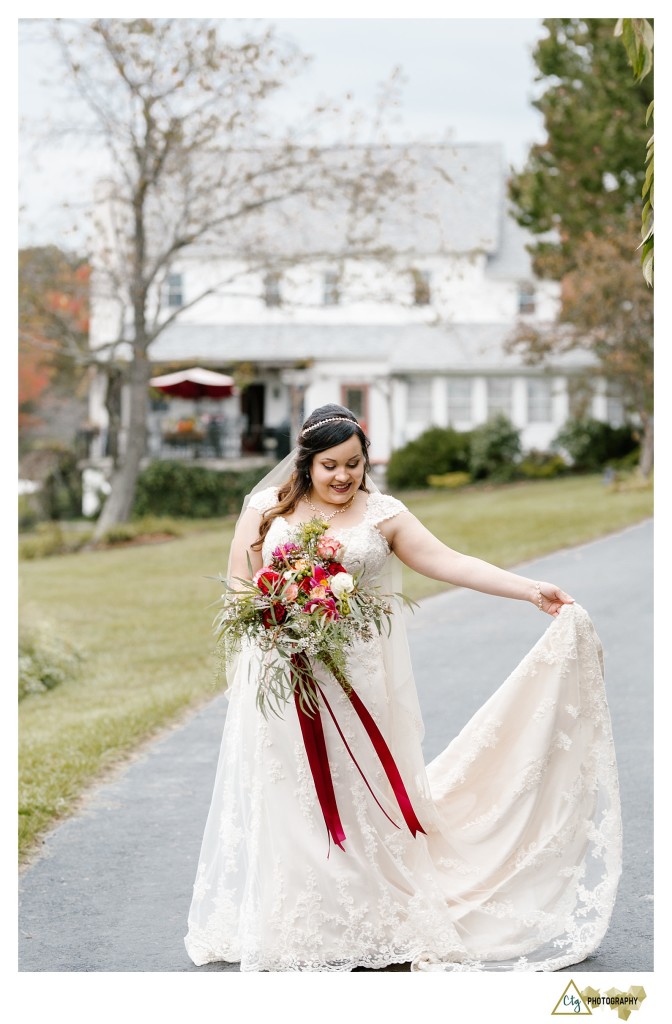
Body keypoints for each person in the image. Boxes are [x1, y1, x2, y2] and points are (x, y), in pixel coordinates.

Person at [184, 404, 621, 973]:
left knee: (361, 795)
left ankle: (372, 915)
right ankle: (306, 922)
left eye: (354, 464)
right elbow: (241, 584)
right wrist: (276, 622)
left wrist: (528, 589)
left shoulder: (383, 514)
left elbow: (449, 561)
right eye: (330, 465)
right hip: (285, 674)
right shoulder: (267, 510)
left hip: (359, 680)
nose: (343, 476)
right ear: (306, 463)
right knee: (291, 793)